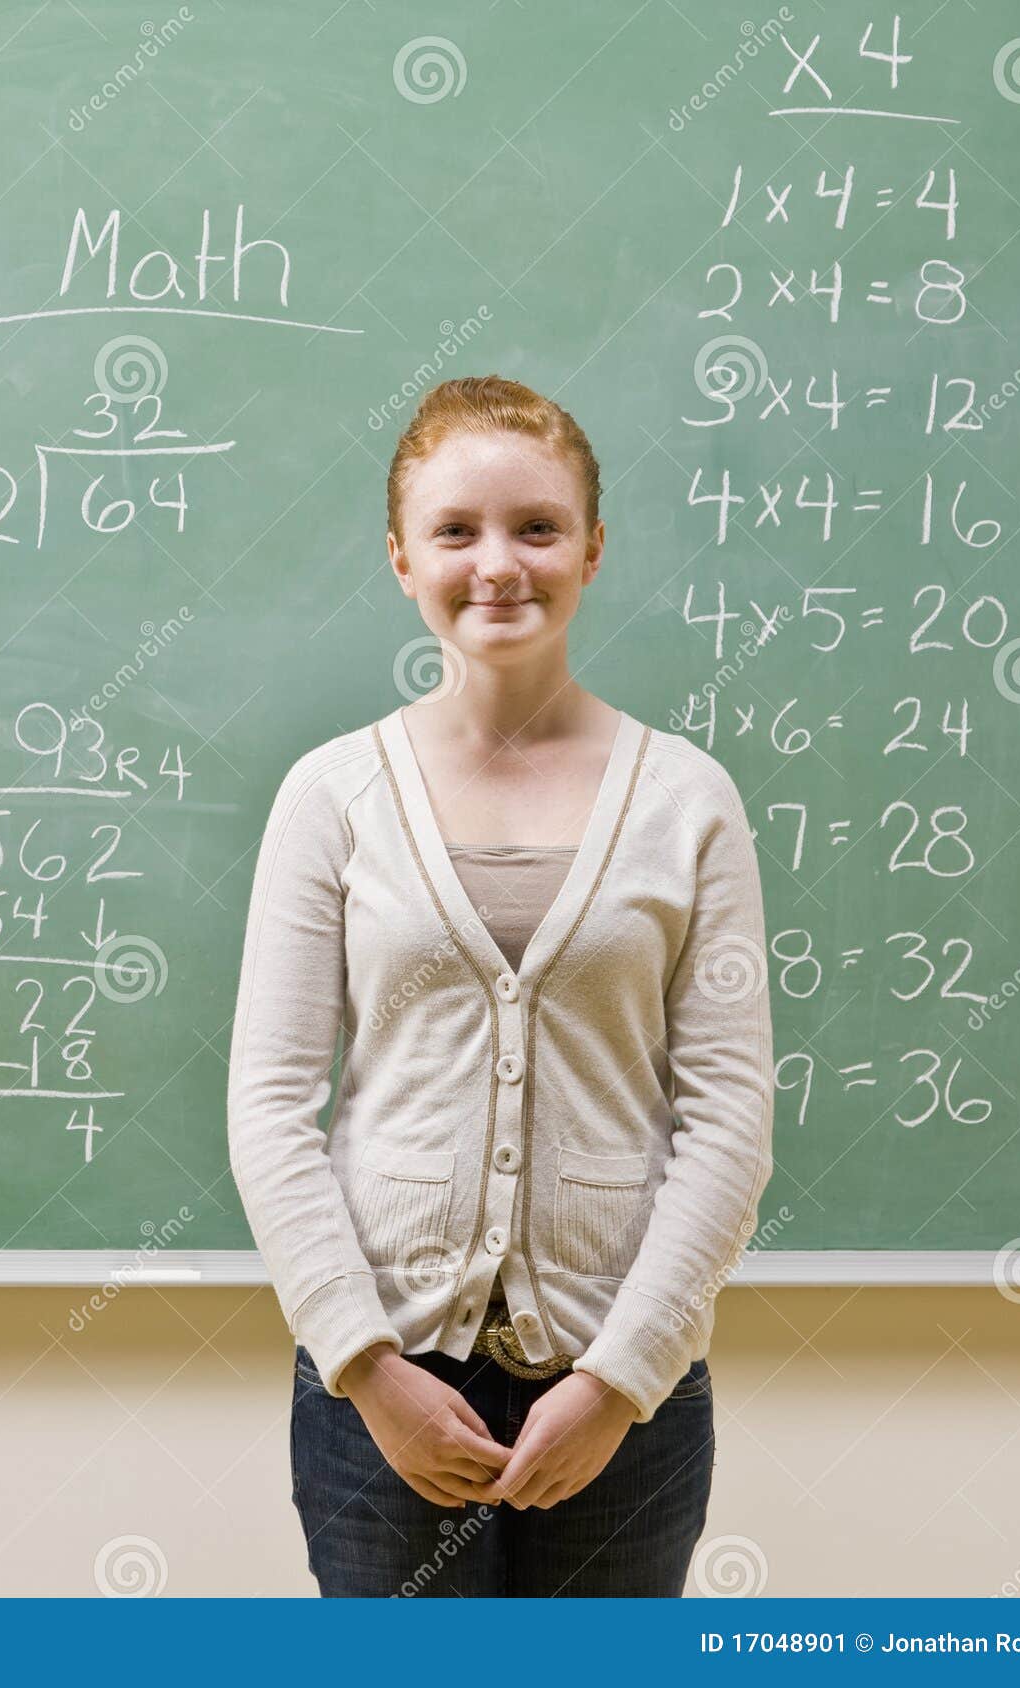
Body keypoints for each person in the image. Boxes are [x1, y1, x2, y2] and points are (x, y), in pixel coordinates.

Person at [226, 374, 775, 1596]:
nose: (499, 565)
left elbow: (730, 1117)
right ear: (400, 558)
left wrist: (617, 1378)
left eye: (536, 526)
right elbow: (268, 1104)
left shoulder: (688, 799)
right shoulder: (332, 795)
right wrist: (367, 1367)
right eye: (455, 531)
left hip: (625, 1389)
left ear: (592, 547)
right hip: (382, 1385)